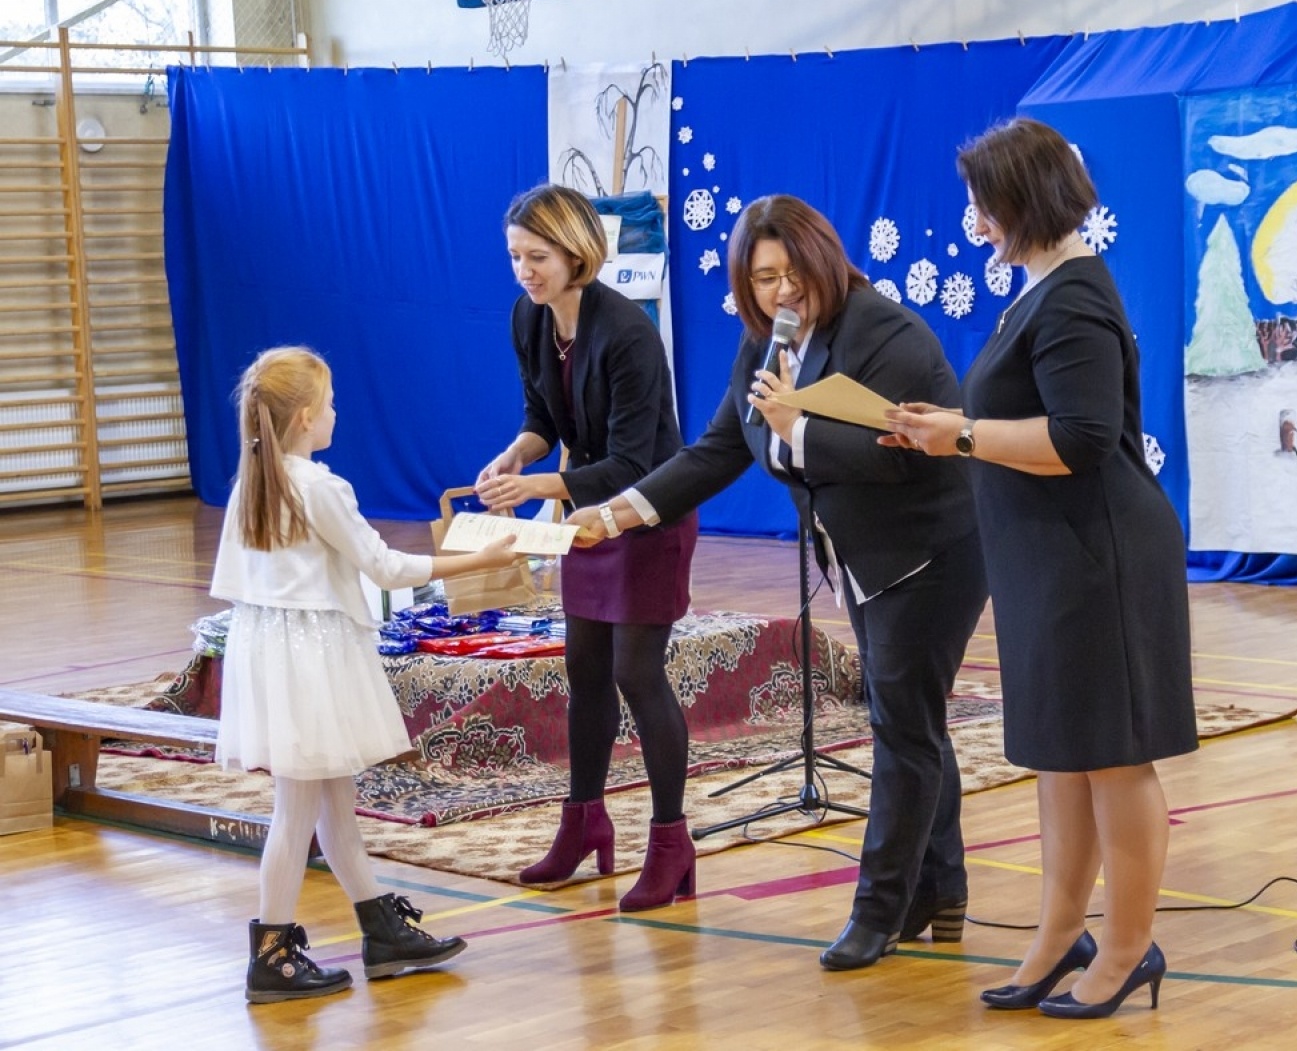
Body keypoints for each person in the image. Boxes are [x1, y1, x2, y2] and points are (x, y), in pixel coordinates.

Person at [567, 194, 989, 971]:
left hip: (930, 555)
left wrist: (800, 427)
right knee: (910, 720)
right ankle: (940, 888)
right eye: (764, 278)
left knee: (903, 728)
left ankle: (879, 909)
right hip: (863, 558)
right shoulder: (765, 346)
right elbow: (716, 451)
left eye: (793, 272)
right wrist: (616, 513)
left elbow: (898, 454)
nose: (782, 290)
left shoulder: (884, 333)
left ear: (826, 259)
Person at [884, 117, 1196, 1019]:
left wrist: (962, 434)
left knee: (1114, 758)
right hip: (1045, 556)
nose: (975, 218)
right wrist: (942, 433)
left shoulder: (1073, 298)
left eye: (984, 202)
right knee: (1062, 755)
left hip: (1098, 555)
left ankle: (1128, 946)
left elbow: (1082, 438)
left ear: (1024, 200)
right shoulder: (1040, 291)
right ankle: (1060, 935)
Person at [212, 346, 520, 1004]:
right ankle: (271, 955)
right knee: (297, 809)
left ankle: (381, 930)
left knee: (333, 801)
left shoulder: (253, 481)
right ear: (303, 418)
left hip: (273, 649)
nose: (336, 413)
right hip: (312, 656)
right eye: (328, 404)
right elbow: (384, 568)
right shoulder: (319, 486)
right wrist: (480, 558)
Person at [476, 183, 699, 912]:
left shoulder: (629, 332)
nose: (524, 271)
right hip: (587, 515)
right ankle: (583, 823)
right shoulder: (529, 317)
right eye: (515, 256)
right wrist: (517, 454)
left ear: (577, 254)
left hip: (648, 513)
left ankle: (670, 842)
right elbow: (543, 415)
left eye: (537, 257)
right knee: (585, 670)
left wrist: (539, 486)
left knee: (638, 672)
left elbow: (634, 462)